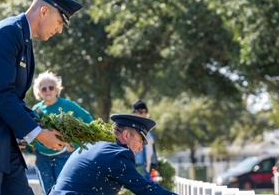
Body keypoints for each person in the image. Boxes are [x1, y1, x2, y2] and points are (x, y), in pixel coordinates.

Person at [0, 0, 83, 195]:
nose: (59, 29)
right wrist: (38, 134)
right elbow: (2, 95)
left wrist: (44, 125)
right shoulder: (5, 33)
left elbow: (15, 100)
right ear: (44, 11)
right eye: (60, 21)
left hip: (5, 145)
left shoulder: (22, 39)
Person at [48, 114, 178, 195]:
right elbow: (144, 188)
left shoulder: (95, 145)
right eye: (140, 141)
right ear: (126, 135)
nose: (140, 147)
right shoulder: (116, 155)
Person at [32, 70, 94, 194]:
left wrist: (75, 144)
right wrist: (31, 148)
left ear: (57, 89)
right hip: (42, 158)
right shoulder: (35, 110)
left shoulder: (67, 105)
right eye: (44, 89)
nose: (48, 91)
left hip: (63, 156)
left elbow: (88, 120)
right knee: (48, 192)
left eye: (51, 87)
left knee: (64, 191)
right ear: (39, 92)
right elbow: (31, 134)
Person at [132, 99, 158, 180]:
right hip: (139, 168)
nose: (143, 114)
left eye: (145, 112)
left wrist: (155, 164)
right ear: (134, 113)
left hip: (148, 167)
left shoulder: (149, 130)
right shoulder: (132, 129)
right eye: (140, 112)